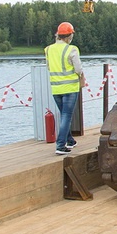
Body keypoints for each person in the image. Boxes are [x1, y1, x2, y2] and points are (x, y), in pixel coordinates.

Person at [44, 21, 88, 155]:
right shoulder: (72, 49)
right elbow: (78, 68)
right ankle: (60, 145)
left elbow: (49, 66)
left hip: (56, 88)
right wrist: (81, 76)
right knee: (67, 116)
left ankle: (70, 140)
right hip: (70, 88)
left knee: (64, 115)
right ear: (69, 36)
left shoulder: (48, 49)